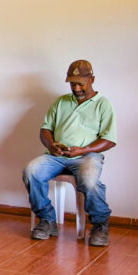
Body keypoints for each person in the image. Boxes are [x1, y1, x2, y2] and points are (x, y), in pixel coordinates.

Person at [23, 60, 117, 246]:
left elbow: (109, 140)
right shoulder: (61, 102)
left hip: (86, 156)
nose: (76, 88)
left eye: (80, 83)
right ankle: (48, 220)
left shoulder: (103, 104)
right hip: (57, 156)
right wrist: (51, 146)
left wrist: (84, 149)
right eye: (72, 83)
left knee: (89, 180)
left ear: (92, 79)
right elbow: (45, 130)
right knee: (31, 171)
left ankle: (100, 225)